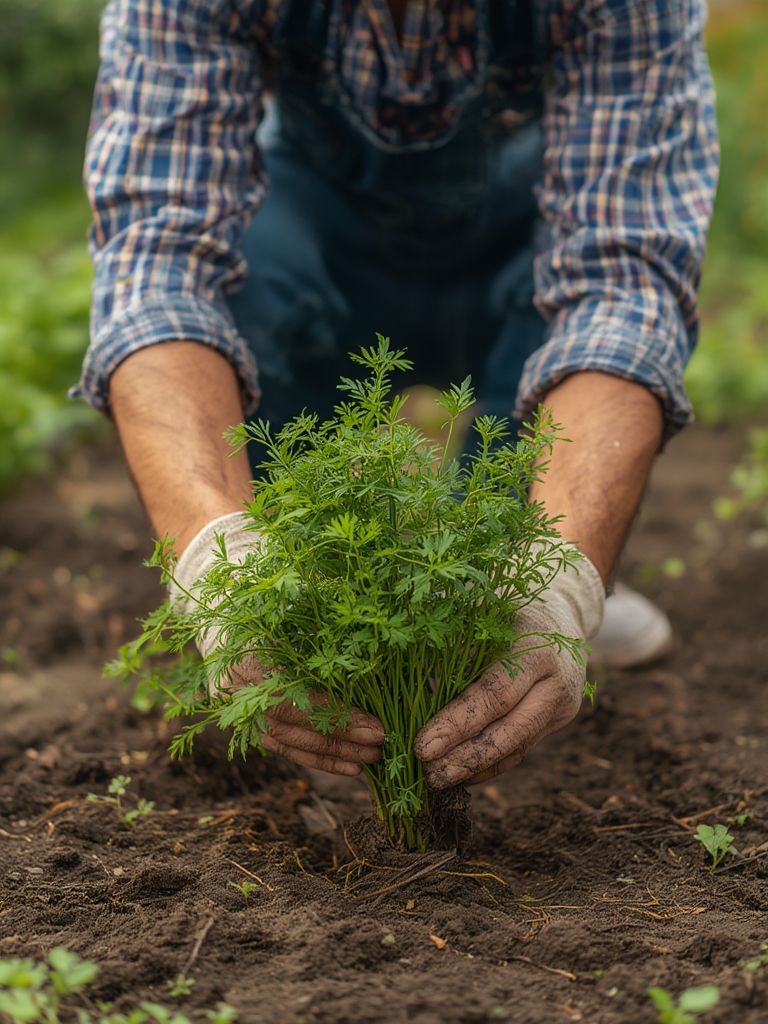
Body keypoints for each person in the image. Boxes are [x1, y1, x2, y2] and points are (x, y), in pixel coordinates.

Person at [73, 0, 718, 789]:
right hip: (317, 234)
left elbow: (621, 287)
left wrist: (564, 578)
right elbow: (158, 271)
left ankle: (528, 587)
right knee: (248, 278)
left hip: (530, 242)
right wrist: (216, 562)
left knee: (511, 570)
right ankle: (289, 587)